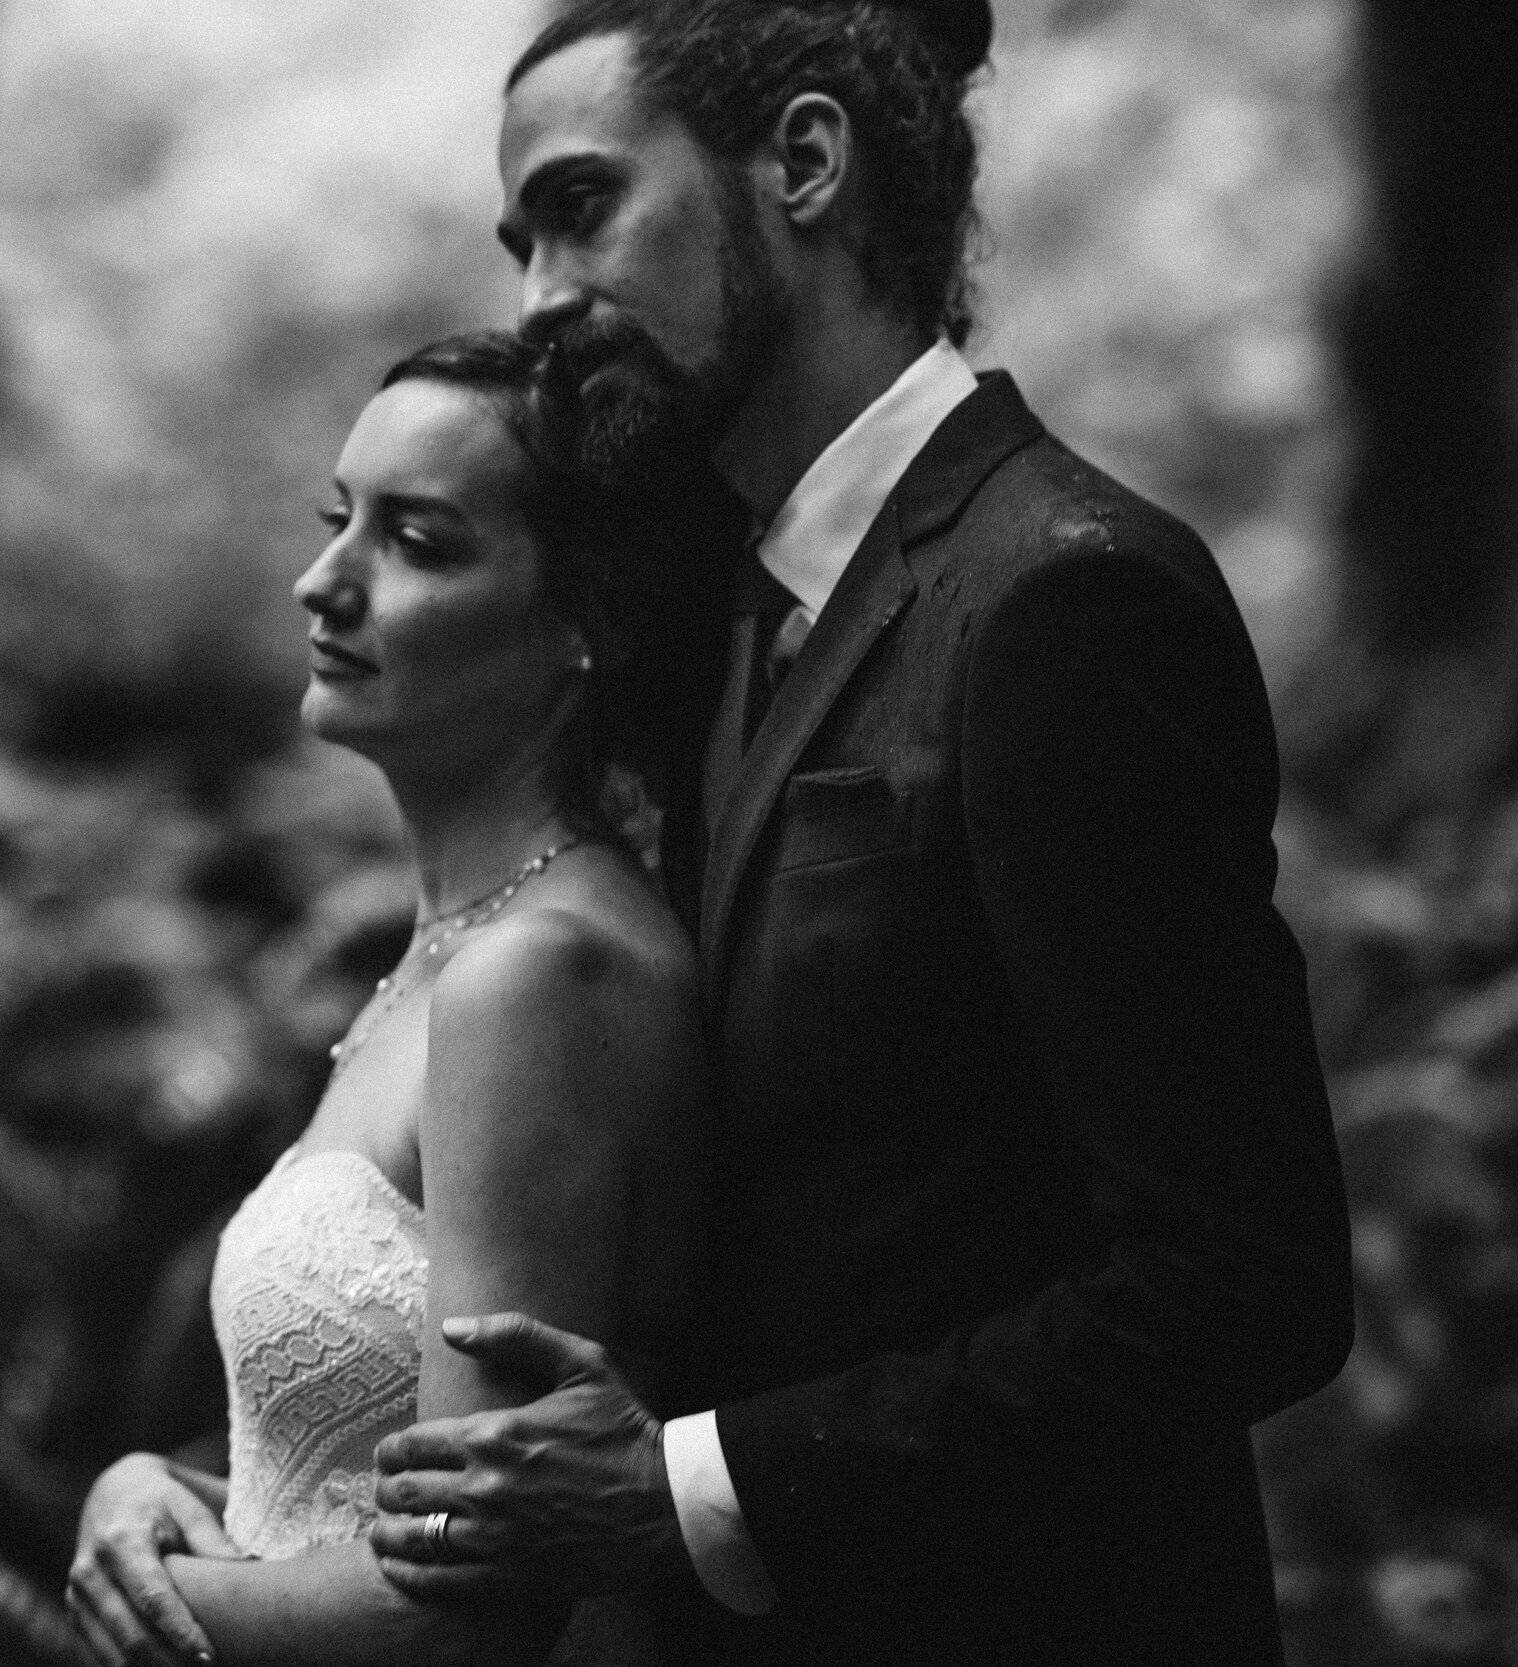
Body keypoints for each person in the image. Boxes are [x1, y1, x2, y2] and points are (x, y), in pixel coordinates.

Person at [357, 3, 1359, 1664]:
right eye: (519, 241)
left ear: (805, 165)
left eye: (584, 209)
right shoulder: (735, 623)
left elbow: (1237, 1285)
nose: (537, 303)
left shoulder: (1063, 596)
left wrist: (695, 1485)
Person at [64, 333, 730, 1667]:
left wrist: (138, 1613)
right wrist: (147, 1497)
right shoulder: (451, 952)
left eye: (417, 542)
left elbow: (467, 1608)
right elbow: (352, 1488)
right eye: (339, 520)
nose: (324, 582)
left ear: (585, 624)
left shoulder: (540, 978)